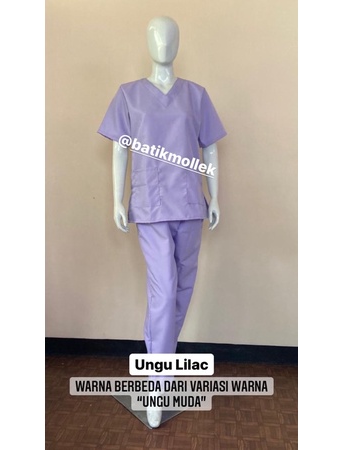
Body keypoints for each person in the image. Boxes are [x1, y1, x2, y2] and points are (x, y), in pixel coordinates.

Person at [98, 16, 226, 428]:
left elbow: (209, 149)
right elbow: (121, 149)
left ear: (179, 42)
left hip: (190, 205)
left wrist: (215, 196)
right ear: (147, 42)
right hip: (151, 208)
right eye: (156, 36)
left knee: (182, 289)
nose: (163, 43)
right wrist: (117, 200)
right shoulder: (129, 95)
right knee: (164, 289)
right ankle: (158, 386)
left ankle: (156, 352)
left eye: (170, 36)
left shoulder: (196, 95)